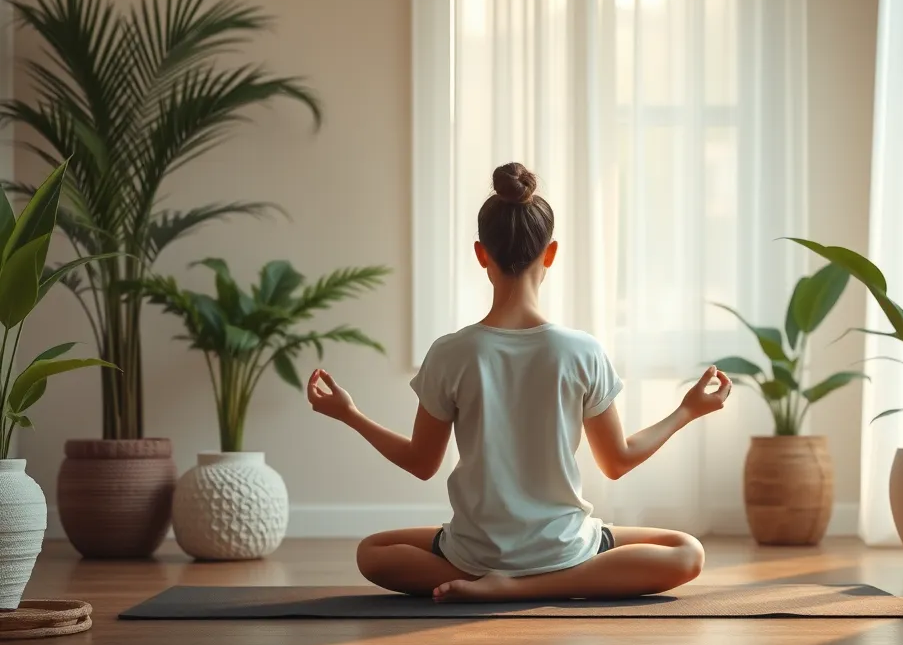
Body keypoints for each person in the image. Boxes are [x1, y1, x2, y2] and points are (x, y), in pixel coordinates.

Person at [306, 162, 732, 602]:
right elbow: (616, 462)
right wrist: (688, 411)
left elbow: (421, 462)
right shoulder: (581, 351)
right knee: (687, 551)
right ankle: (535, 586)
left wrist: (349, 415)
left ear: (480, 253)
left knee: (371, 552)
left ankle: (488, 581)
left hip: (475, 551)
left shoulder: (451, 352)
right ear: (550, 253)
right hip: (564, 549)